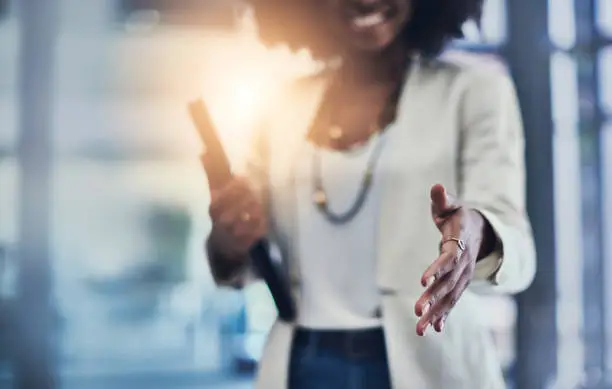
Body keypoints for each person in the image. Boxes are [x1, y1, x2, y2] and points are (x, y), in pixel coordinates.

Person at [204, 0, 536, 388]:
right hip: (304, 363)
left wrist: (478, 231)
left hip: (427, 363)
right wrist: (229, 239)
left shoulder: (474, 92)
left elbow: (518, 251)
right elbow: (245, 259)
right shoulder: (281, 108)